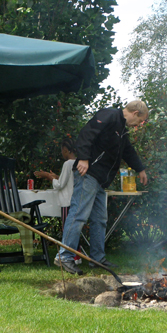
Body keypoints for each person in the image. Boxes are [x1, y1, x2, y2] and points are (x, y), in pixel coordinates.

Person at [54, 101, 149, 275]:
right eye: (140, 121)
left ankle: (97, 259)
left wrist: (140, 168)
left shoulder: (121, 128)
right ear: (135, 113)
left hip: (100, 179)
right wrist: (83, 157)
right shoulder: (111, 115)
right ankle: (64, 257)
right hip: (88, 173)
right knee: (78, 214)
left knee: (100, 219)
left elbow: (127, 150)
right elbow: (87, 133)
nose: (139, 125)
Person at [34, 137, 82, 264]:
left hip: (67, 201)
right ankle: (77, 255)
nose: (62, 153)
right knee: (74, 229)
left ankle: (70, 256)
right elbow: (67, 180)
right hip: (76, 200)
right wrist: (56, 176)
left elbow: (60, 185)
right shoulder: (79, 162)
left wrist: (49, 177)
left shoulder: (67, 164)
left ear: (66, 150)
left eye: (62, 151)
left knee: (67, 230)